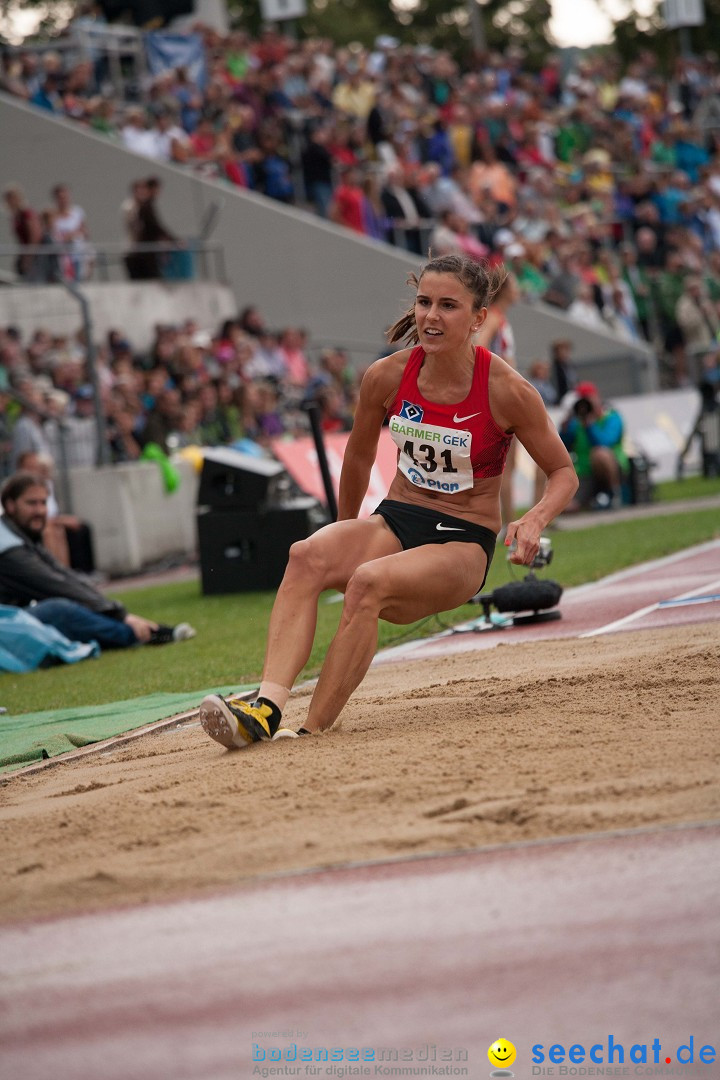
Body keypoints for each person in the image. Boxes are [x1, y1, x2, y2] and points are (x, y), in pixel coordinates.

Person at [198, 254, 578, 748]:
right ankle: (265, 709)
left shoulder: (508, 390)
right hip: (397, 519)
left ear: (478, 318)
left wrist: (534, 519)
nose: (431, 317)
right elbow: (356, 460)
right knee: (306, 554)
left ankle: (310, 731)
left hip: (462, 542)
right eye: (424, 302)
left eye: (448, 306)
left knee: (368, 582)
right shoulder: (386, 376)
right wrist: (338, 532)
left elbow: (563, 472)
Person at [0, 471, 196, 650]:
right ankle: (144, 634)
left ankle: (143, 630)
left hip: (12, 622)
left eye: (43, 503)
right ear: (10, 505)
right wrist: (120, 615)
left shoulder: (18, 535)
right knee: (59, 610)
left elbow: (64, 576)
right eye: (31, 503)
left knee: (70, 605)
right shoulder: (8, 549)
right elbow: (55, 585)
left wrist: (111, 608)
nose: (40, 510)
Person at [559, 381, 628, 510]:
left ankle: (614, 493)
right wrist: (565, 427)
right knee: (566, 508)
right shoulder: (576, 422)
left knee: (599, 454)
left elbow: (605, 442)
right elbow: (562, 447)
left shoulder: (611, 416)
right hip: (585, 472)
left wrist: (590, 425)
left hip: (611, 468)